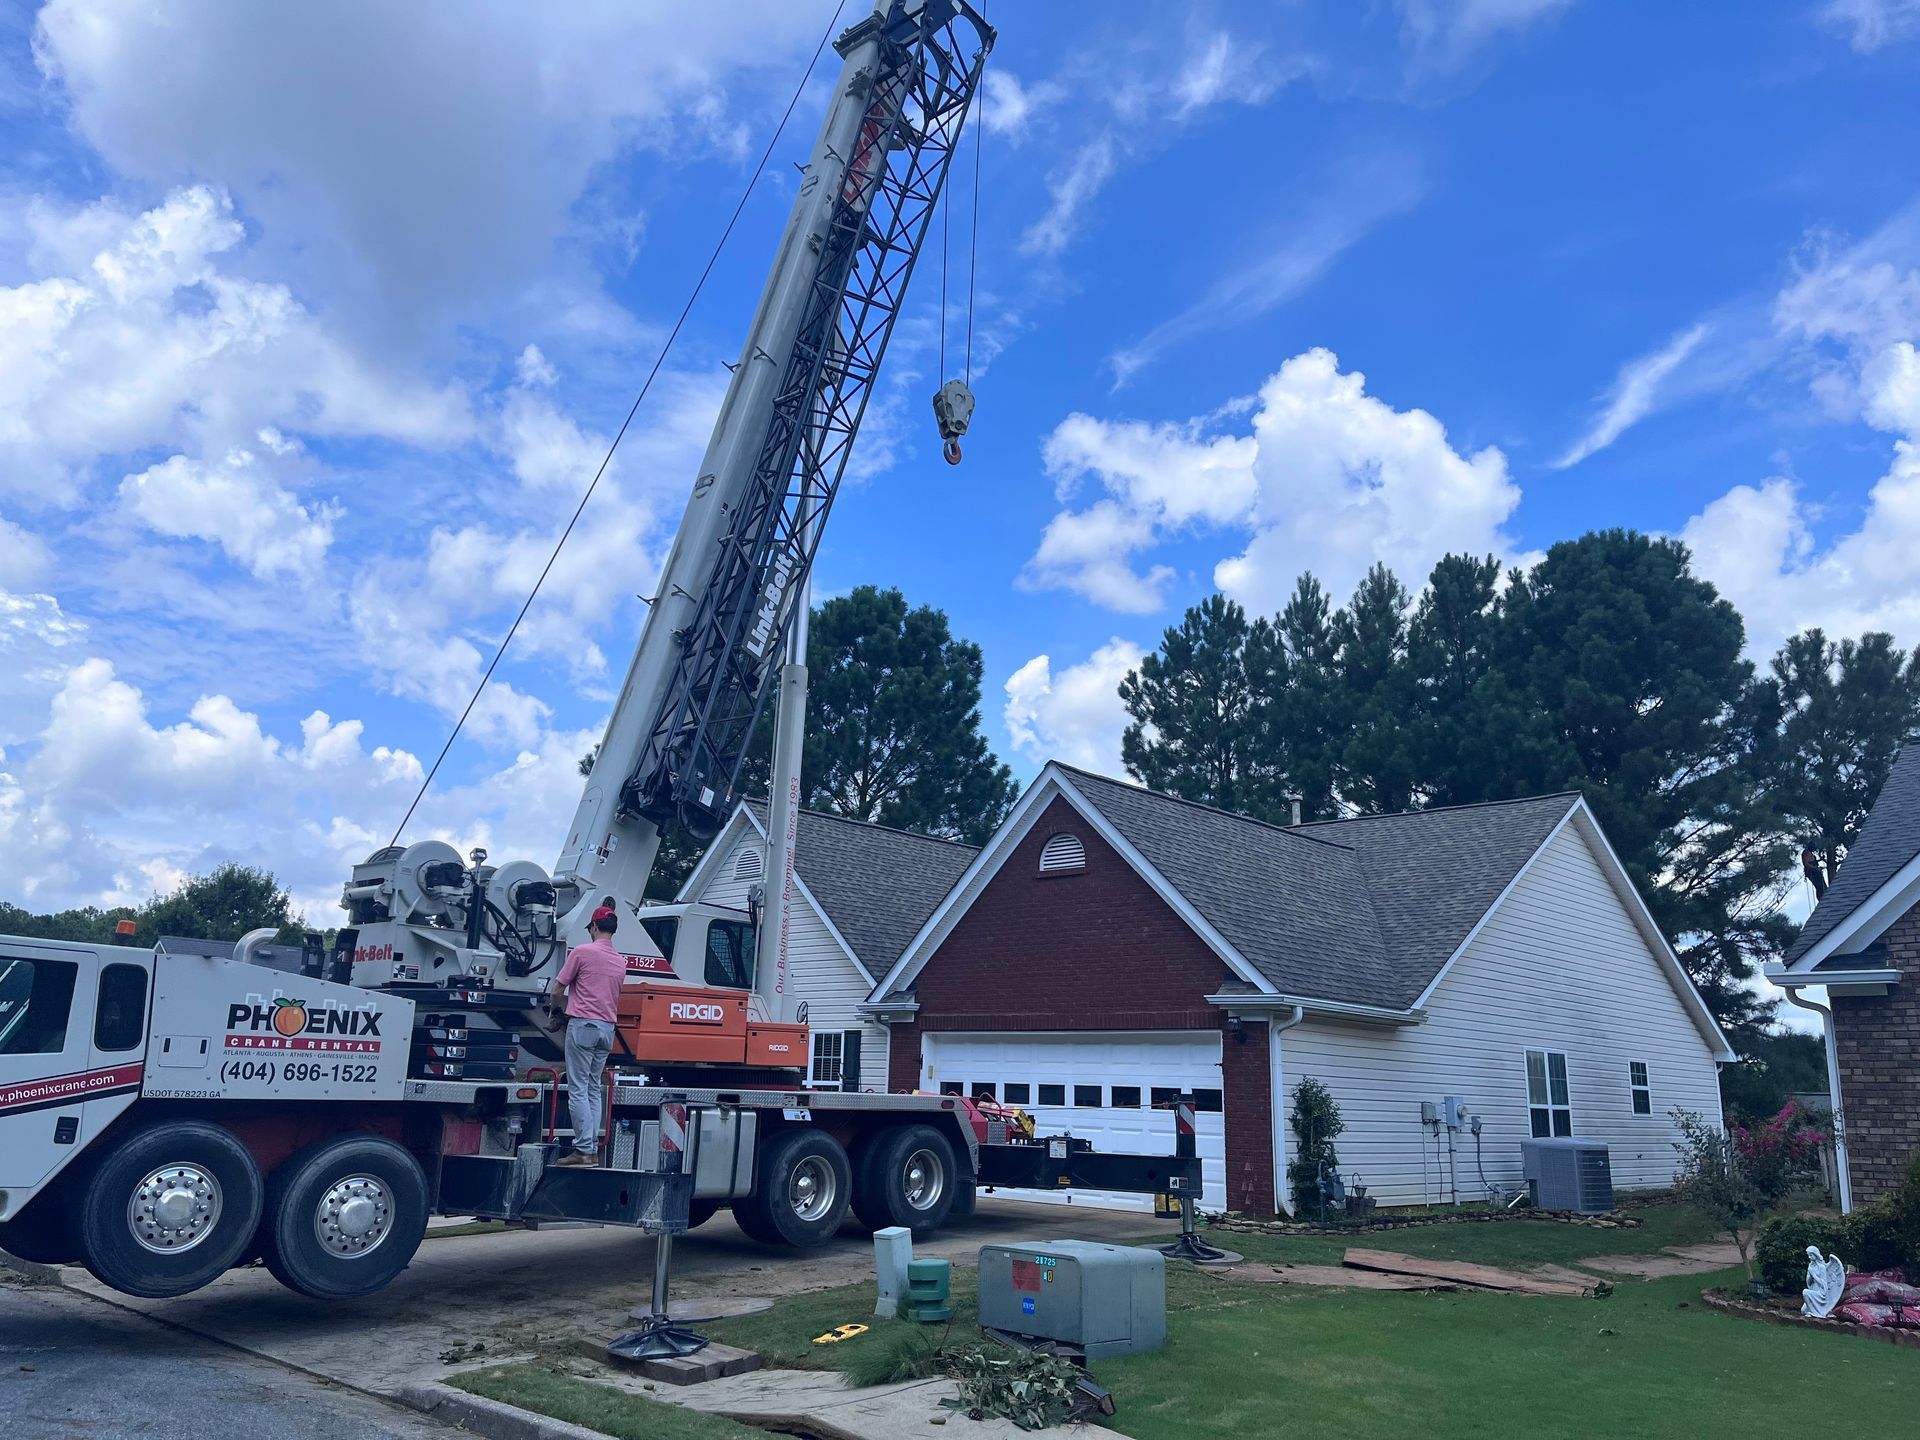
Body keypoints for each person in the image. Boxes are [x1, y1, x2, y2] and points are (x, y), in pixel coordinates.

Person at [546, 904, 627, 1167]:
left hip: (583, 1027)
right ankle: (590, 1149)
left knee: (578, 1089)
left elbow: (557, 990)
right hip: (606, 1030)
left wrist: (555, 1012)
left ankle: (583, 1151)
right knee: (593, 1088)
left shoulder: (582, 952)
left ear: (593, 927)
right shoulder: (620, 961)